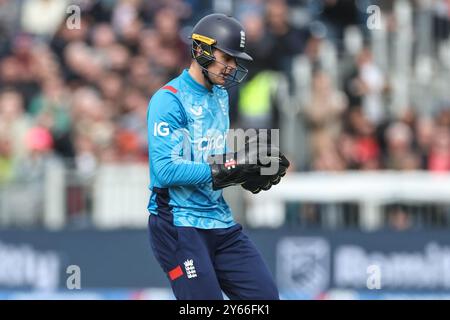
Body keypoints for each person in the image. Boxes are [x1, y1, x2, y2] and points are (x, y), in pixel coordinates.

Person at [146, 13, 290, 300]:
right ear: (202, 50)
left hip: (219, 221)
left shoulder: (220, 96)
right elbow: (165, 170)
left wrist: (244, 170)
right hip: (178, 224)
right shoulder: (169, 99)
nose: (232, 67)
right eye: (228, 57)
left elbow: (209, 156)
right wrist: (228, 168)